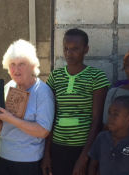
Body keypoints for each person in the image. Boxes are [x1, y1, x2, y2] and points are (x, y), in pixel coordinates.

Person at [43, 28, 110, 175]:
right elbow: (49, 117)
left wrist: (84, 157)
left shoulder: (96, 77)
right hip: (57, 147)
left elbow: (97, 120)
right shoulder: (56, 76)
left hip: (82, 148)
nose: (69, 53)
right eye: (66, 48)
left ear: (86, 49)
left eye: (75, 49)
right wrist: (47, 153)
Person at [0, 39, 54, 175]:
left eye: (22, 64)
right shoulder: (7, 88)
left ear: (33, 66)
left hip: (28, 163)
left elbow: (43, 131)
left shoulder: (42, 92)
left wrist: (11, 119)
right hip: (2, 158)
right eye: (12, 64)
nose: (16, 69)